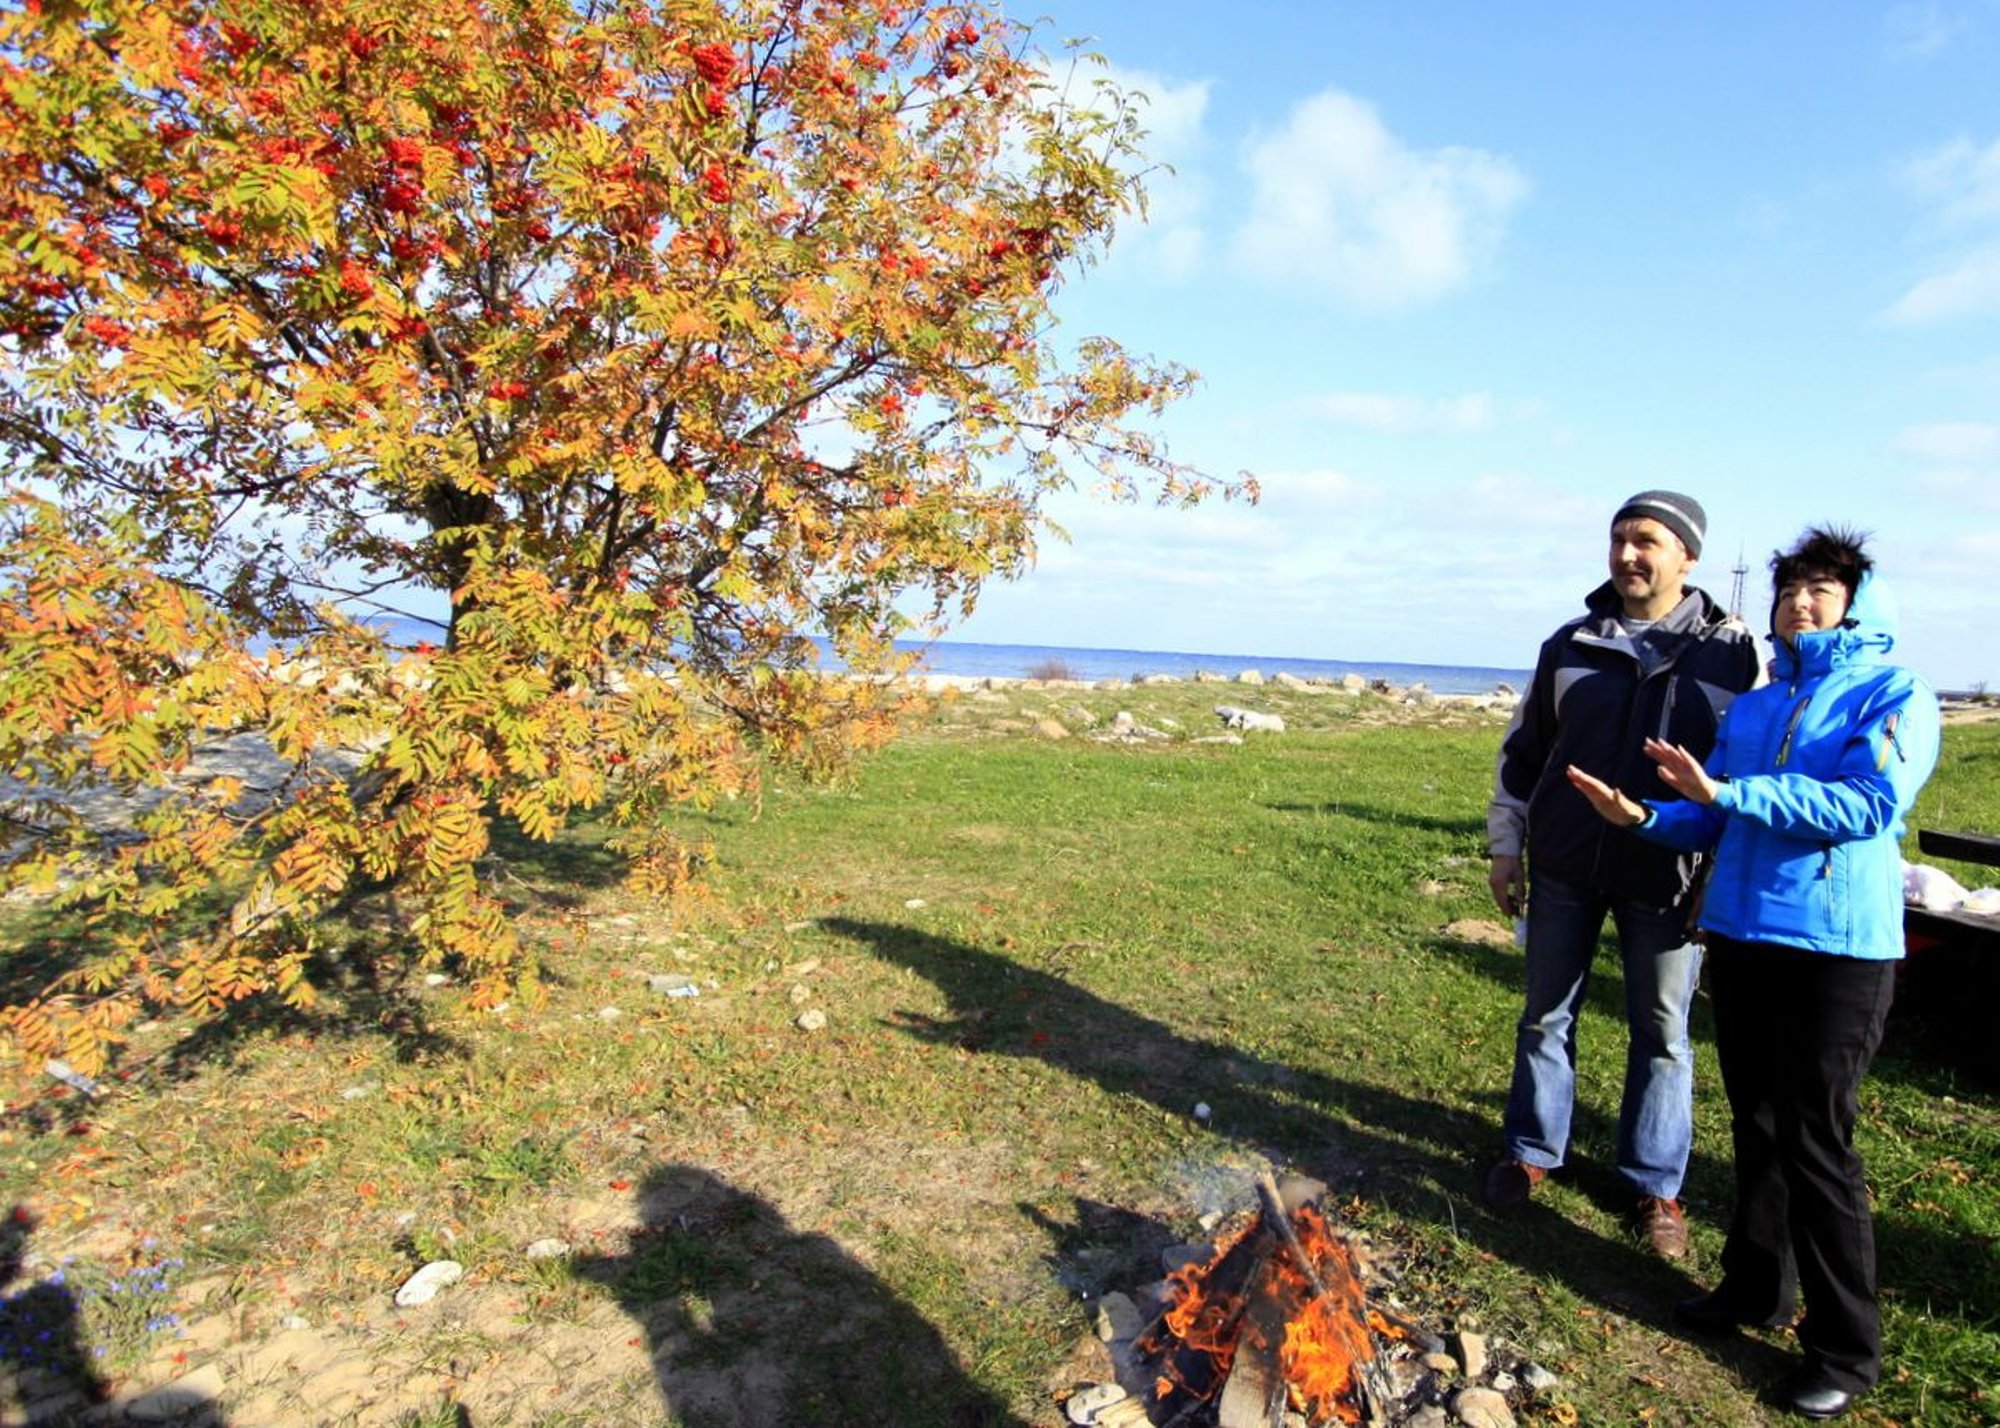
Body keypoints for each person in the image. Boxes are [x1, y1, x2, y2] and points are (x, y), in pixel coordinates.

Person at [1567, 526, 1939, 1421]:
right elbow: (1714, 817)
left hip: (1838, 951)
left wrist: (1725, 794)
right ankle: (1753, 1291)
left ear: (1855, 601)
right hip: (1745, 937)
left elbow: (1866, 805)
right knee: (1761, 1127)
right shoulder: (1761, 706)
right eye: (1790, 591)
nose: (1801, 603)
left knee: (1819, 1144)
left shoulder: (1894, 691)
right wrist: (1644, 816)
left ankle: (1846, 1351)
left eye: (1820, 589)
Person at [1483, 491, 1761, 1258]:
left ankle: (1653, 1183)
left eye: (1648, 541)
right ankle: (1532, 1153)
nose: (1629, 555)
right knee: (1545, 1013)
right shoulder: (1570, 643)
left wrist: (1724, 871)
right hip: (1568, 861)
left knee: (1663, 1031)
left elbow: (1752, 773)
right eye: (1619, 540)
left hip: (1672, 872)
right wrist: (1506, 845)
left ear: (1687, 557)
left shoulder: (1736, 654)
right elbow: (1523, 752)